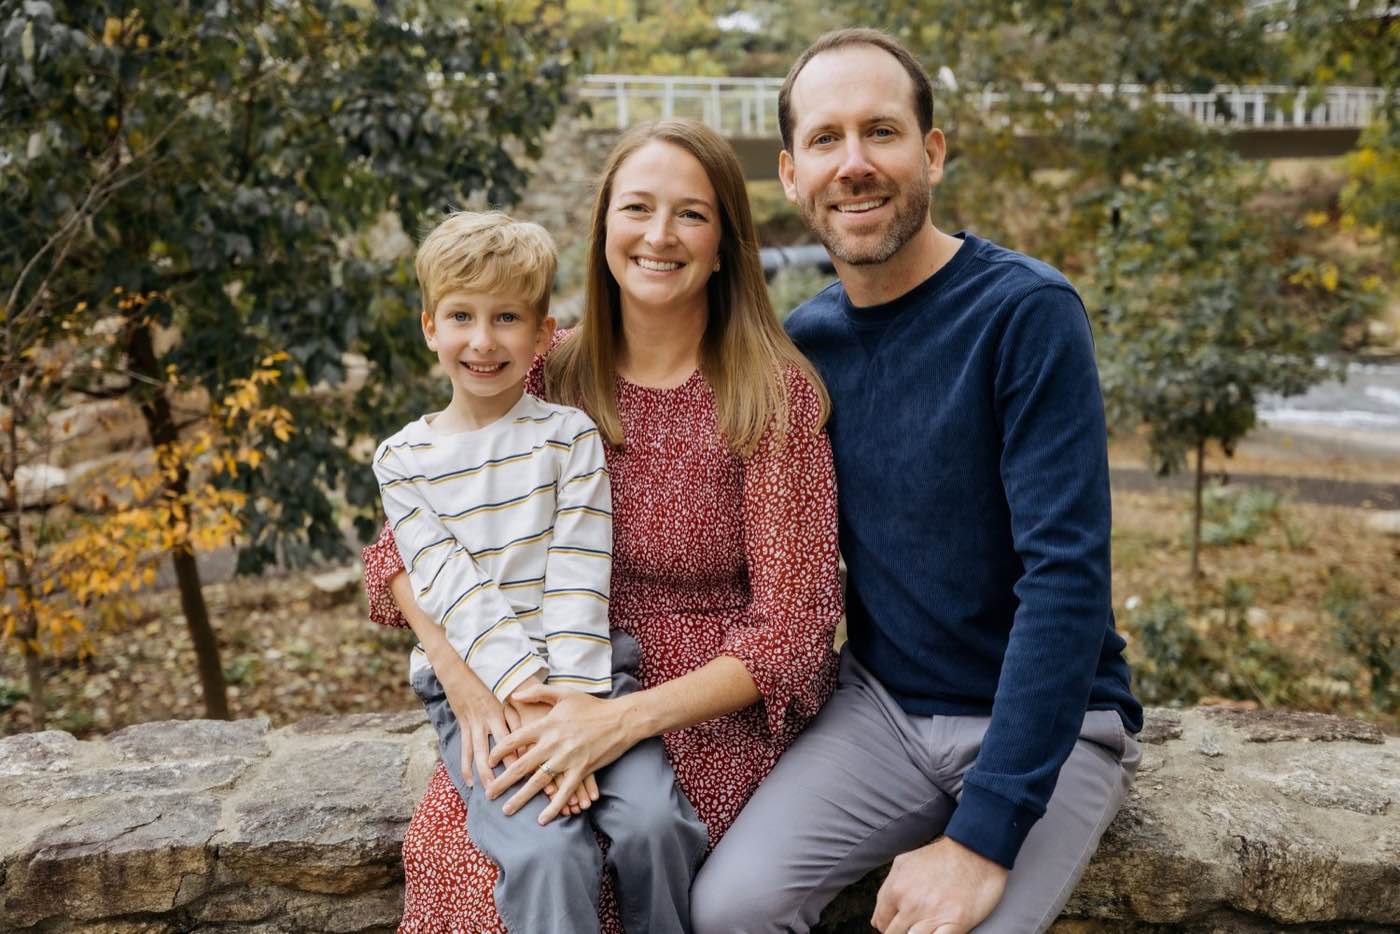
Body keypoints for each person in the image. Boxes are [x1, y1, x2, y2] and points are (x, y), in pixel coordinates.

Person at [690, 28, 1144, 934]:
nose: (853, 164)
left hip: (1052, 725)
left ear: (931, 151)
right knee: (729, 907)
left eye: (881, 132)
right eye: (825, 140)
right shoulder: (804, 346)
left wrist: (982, 840)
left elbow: (1067, 578)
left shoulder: (1025, 313)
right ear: (790, 174)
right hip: (883, 714)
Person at [360, 119, 842, 932]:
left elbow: (794, 631)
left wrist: (614, 719)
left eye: (690, 214)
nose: (659, 235)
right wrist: (466, 680)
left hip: (698, 710)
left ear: (725, 243)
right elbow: (395, 553)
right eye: (638, 208)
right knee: (482, 867)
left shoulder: (771, 396)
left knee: (645, 844)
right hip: (525, 681)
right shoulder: (542, 366)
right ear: (605, 228)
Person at [371, 210, 707, 934]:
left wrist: (575, 712)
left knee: (655, 824)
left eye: (506, 318)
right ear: (430, 326)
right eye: (461, 316)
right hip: (485, 697)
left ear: (540, 333)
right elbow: (447, 584)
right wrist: (522, 697)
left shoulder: (568, 438)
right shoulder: (402, 462)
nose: (483, 340)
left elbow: (579, 575)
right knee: (548, 854)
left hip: (591, 674)